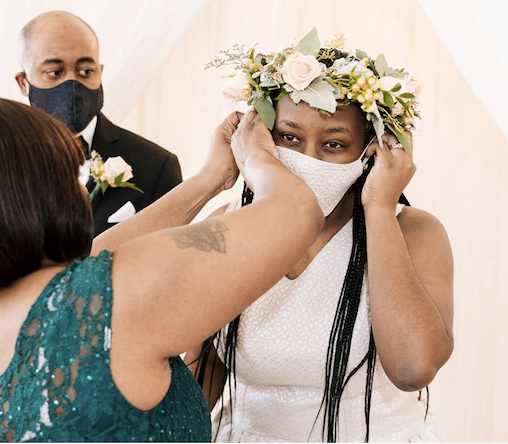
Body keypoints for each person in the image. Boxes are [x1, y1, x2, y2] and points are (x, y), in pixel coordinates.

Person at [0, 97, 324, 442]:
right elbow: (296, 212)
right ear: (32, 192)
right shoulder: (116, 292)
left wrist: (211, 178)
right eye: (69, 171)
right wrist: (257, 155)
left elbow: (88, 263)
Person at [187, 32, 454, 442]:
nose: (307, 160)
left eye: (333, 144)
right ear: (259, 136)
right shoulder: (230, 225)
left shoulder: (413, 230)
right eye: (289, 138)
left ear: (372, 150)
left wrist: (379, 208)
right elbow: (202, 377)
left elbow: (412, 369)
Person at [15, 11, 182, 236]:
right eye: (54, 72)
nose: (72, 84)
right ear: (23, 82)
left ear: (100, 73)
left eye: (86, 71)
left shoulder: (156, 166)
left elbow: (171, 261)